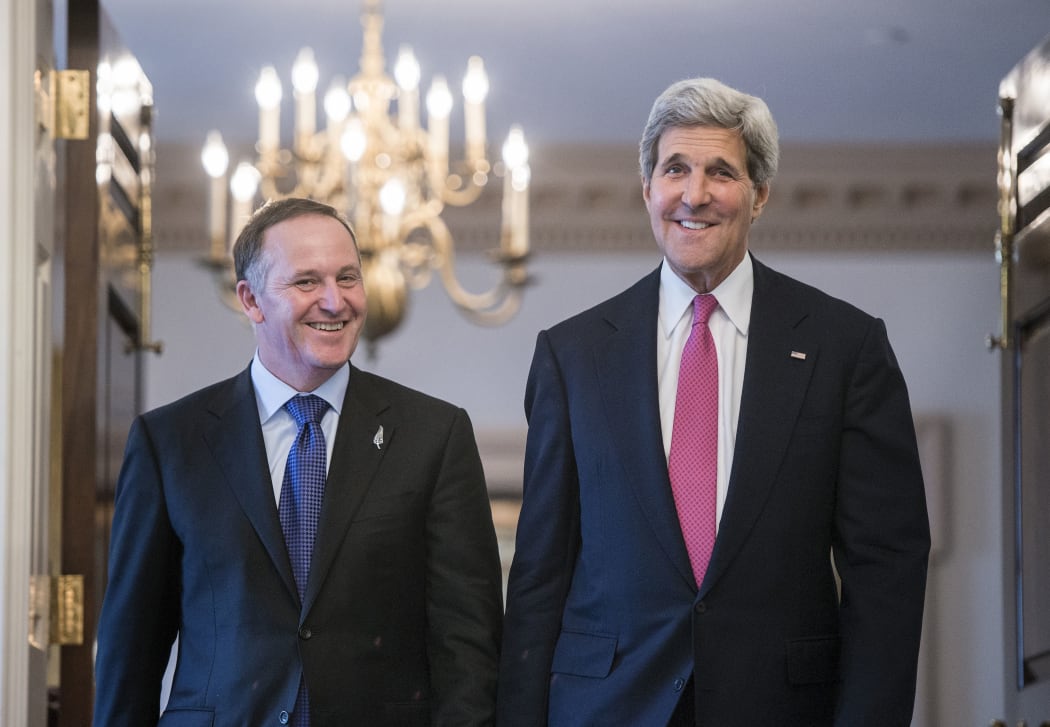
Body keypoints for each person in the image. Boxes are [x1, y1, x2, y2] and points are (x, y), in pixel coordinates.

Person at [497, 78, 930, 726]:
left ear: (759, 196)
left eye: (720, 172)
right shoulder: (572, 356)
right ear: (647, 188)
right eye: (675, 169)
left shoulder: (846, 348)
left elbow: (887, 568)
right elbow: (539, 576)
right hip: (604, 706)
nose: (694, 194)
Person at [94, 197, 504, 726]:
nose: (335, 301)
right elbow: (132, 646)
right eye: (307, 282)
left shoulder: (434, 435)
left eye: (348, 278)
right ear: (252, 299)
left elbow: (467, 641)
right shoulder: (170, 442)